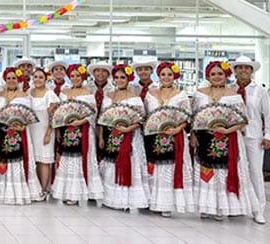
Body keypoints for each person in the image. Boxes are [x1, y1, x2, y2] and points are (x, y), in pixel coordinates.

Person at [191, 61, 260, 222]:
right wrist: (193, 135)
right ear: (208, 75)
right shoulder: (199, 94)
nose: (216, 77)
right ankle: (205, 207)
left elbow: (243, 120)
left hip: (228, 139)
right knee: (206, 173)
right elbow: (194, 117)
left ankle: (221, 207)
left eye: (220, 74)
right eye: (213, 74)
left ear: (226, 75)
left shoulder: (233, 96)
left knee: (223, 173)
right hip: (204, 139)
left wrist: (226, 130)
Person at [144, 61, 194, 217]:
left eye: (169, 74)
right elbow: (146, 116)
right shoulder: (150, 94)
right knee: (154, 168)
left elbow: (187, 118)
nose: (166, 77)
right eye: (163, 74)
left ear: (175, 76)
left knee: (169, 169)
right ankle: (152, 201)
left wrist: (177, 129)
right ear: (158, 76)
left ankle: (167, 203)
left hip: (174, 136)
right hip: (154, 137)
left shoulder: (181, 95)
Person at [97, 64, 149, 211]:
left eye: (122, 77)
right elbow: (102, 119)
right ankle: (110, 198)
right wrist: (101, 137)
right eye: (117, 78)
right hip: (109, 136)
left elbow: (141, 120)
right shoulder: (108, 97)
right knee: (110, 165)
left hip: (130, 137)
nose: (119, 80)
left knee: (128, 164)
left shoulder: (135, 98)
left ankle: (125, 199)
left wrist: (127, 128)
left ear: (128, 79)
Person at [52, 64, 104, 205]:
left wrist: (80, 121)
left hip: (83, 131)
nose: (75, 78)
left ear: (83, 77)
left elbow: (92, 114)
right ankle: (67, 191)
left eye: (78, 76)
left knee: (81, 160)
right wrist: (58, 129)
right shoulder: (64, 93)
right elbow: (58, 114)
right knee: (67, 161)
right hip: (66, 131)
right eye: (72, 76)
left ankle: (80, 191)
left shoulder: (88, 94)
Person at [227, 56, 269, 224]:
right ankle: (235, 206)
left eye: (246, 67)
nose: (243, 70)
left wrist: (268, 136)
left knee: (255, 172)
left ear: (251, 71)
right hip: (233, 135)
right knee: (234, 170)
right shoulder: (229, 89)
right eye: (239, 67)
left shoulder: (260, 90)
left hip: (253, 137)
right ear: (235, 70)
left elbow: (268, 114)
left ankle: (258, 209)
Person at [0, 67, 41, 204]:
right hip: (1, 131)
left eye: (13, 78)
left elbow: (27, 116)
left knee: (17, 159)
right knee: (2, 158)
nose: (11, 81)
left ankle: (18, 191)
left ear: (18, 79)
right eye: (8, 78)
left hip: (18, 132)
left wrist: (21, 126)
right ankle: (1, 191)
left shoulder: (24, 96)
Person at [27, 68, 59, 201]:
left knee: (44, 160)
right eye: (35, 77)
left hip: (44, 130)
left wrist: (48, 133)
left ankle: (44, 189)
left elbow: (53, 116)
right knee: (33, 158)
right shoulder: (29, 92)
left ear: (46, 79)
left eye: (41, 77)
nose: (38, 80)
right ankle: (35, 188)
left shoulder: (50, 94)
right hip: (31, 129)